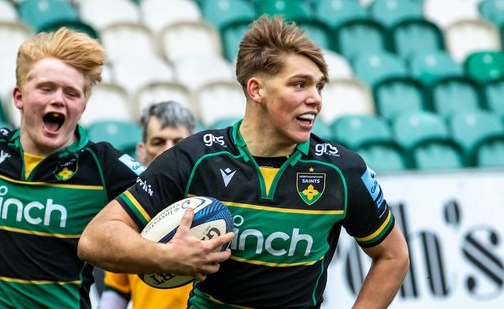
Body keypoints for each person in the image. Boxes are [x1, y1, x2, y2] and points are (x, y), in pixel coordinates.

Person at [78, 15, 410, 308]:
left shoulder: (343, 171)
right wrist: (166, 256)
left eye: (319, 87)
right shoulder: (196, 158)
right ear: (256, 90)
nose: (315, 99)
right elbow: (95, 238)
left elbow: (393, 256)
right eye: (299, 84)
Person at [0, 27, 143, 308]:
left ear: (83, 106)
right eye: (46, 88)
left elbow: (168, 199)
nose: (58, 99)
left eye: (71, 93)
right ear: (19, 97)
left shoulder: (104, 166)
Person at [99, 101, 196, 309]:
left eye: (179, 142)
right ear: (141, 152)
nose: (169, 152)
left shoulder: (216, 210)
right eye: (158, 142)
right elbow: (116, 291)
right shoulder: (127, 214)